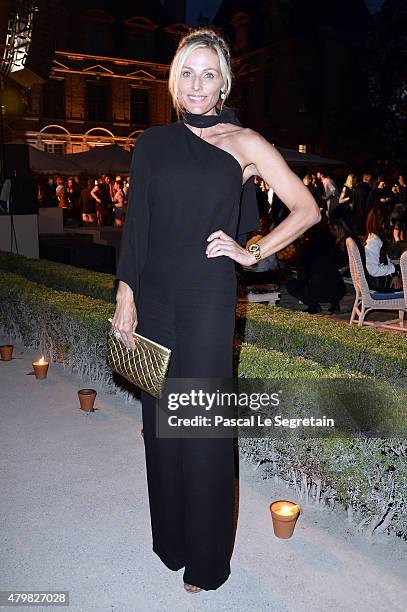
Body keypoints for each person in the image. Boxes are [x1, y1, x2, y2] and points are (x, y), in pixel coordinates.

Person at [112, 28, 320, 593]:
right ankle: (172, 541)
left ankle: (207, 562)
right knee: (162, 424)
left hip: (207, 296)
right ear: (173, 82)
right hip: (153, 294)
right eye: (187, 73)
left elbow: (306, 209)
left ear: (224, 81)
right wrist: (124, 296)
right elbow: (139, 225)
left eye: (209, 74)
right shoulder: (151, 143)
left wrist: (250, 251)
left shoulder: (245, 142)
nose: (197, 84)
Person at [286, 218, 346, 313]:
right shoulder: (333, 244)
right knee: (329, 275)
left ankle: (313, 305)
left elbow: (303, 274)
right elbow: (341, 263)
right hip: (337, 290)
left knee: (290, 283)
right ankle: (334, 304)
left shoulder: (306, 247)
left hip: (316, 291)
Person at [364, 205, 402, 292]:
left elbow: (386, 261)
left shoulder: (376, 238)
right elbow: (372, 270)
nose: (391, 224)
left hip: (382, 281)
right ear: (381, 222)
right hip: (379, 286)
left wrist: (394, 274)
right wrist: (395, 268)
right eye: (389, 220)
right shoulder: (373, 242)